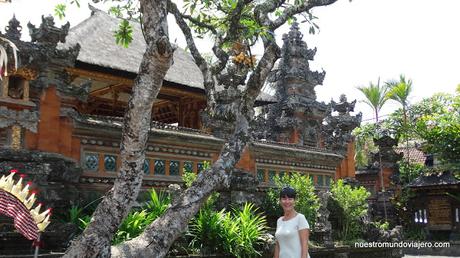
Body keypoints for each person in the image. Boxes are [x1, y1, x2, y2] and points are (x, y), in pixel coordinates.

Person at [274, 186, 310, 258]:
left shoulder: (300, 218)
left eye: (290, 199)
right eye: (284, 198)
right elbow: (278, 245)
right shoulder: (279, 221)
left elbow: (305, 246)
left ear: (295, 201)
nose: (287, 202)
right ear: (280, 201)